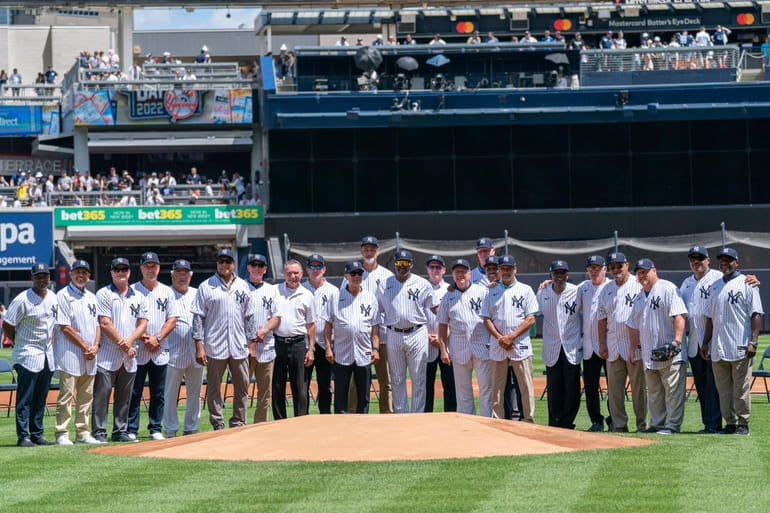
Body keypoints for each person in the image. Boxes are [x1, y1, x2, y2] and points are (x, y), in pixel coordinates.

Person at [192, 248, 256, 430]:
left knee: (242, 386)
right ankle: (217, 422)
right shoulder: (206, 286)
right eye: (221, 261)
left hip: (238, 344)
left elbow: (249, 318)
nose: (224, 265)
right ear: (217, 263)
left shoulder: (243, 286)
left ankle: (238, 421)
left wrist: (252, 345)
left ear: (233, 264)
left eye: (228, 261)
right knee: (213, 387)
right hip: (214, 344)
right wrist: (199, 345)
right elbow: (198, 317)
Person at [702, 248, 763, 435]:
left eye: (729, 260)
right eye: (722, 260)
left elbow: (756, 314)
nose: (725, 263)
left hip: (740, 345)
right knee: (724, 390)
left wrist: (753, 341)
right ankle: (729, 423)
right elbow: (710, 318)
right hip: (718, 346)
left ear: (737, 263)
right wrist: (706, 342)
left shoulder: (747, 283)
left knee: (741, 388)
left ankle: (743, 423)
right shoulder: (714, 286)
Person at [627, 258, 687, 435]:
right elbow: (634, 325)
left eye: (645, 271)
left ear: (654, 270)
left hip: (669, 352)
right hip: (648, 353)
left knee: (673, 391)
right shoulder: (638, 296)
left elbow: (679, 316)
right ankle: (658, 424)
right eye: (639, 272)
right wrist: (632, 348)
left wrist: (676, 342)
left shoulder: (667, 288)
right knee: (654, 392)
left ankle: (672, 425)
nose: (642, 275)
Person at [92, 258, 148, 443]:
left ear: (129, 272)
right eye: (117, 269)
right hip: (108, 354)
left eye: (124, 269)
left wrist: (129, 342)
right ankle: (99, 432)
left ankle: (120, 430)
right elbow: (105, 322)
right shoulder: (104, 293)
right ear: (112, 272)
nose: (121, 272)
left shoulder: (138, 296)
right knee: (102, 396)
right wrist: (124, 344)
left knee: (125, 397)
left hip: (129, 355)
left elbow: (143, 323)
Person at [2, 263, 57, 446]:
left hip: (47, 354)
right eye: (38, 276)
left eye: (45, 276)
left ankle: (37, 434)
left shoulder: (53, 297)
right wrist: (18, 342)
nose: (42, 279)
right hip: (27, 353)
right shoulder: (22, 299)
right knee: (26, 398)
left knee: (41, 397)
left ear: (49, 277)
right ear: (32, 278)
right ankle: (23, 436)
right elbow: (8, 324)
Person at [377, 249, 437, 413]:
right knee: (396, 379)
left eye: (405, 263)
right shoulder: (384, 284)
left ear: (411, 264)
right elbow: (377, 311)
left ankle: (417, 415)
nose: (401, 266)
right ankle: (401, 414)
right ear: (395, 264)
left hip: (417, 333)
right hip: (393, 333)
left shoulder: (422, 283)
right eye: (399, 263)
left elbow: (435, 309)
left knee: (418, 378)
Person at [127, 252, 179, 441]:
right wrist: (144, 338)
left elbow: (172, 319)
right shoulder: (131, 290)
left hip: (160, 349)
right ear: (140, 268)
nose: (150, 269)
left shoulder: (167, 291)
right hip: (138, 349)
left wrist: (156, 338)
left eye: (153, 266)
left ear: (158, 268)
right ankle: (131, 428)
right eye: (147, 266)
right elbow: (129, 320)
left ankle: (155, 427)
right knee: (135, 391)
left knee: (158, 392)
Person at [482, 254, 538, 422]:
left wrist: (511, 337)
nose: (506, 272)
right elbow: (486, 318)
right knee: (497, 387)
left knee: (526, 386)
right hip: (498, 345)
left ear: (515, 269)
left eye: (509, 268)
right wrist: (500, 338)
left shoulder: (525, 289)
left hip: (519, 344)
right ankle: (498, 419)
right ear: (498, 271)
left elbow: (531, 318)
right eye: (503, 269)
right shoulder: (491, 291)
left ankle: (528, 419)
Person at [53, 260, 102, 445]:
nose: (81, 275)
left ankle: (82, 432)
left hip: (91, 354)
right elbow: (65, 327)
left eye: (85, 272)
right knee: (66, 395)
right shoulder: (63, 295)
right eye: (78, 272)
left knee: (86, 396)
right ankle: (61, 433)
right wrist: (85, 347)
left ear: (89, 275)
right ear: (71, 274)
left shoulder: (92, 297)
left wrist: (95, 346)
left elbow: (97, 324)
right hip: (70, 353)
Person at [597, 252, 647, 432]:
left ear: (627, 265)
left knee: (638, 390)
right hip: (613, 345)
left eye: (620, 265)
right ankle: (619, 425)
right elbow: (601, 319)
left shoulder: (638, 284)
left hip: (635, 347)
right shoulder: (606, 289)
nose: (616, 269)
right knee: (615, 391)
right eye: (613, 267)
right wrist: (602, 344)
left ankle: (642, 424)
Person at [324, 261, 380, 413]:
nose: (356, 277)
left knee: (364, 396)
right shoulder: (335, 297)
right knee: (341, 394)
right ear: (346, 276)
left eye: (359, 273)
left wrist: (375, 349)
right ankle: (341, 425)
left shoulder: (370, 298)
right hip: (342, 353)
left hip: (364, 352)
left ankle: (362, 424)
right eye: (353, 273)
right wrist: (328, 348)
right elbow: (328, 325)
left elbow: (375, 327)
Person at [437, 259, 492, 416]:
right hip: (459, 347)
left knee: (486, 389)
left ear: (469, 273)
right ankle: (467, 424)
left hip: (482, 346)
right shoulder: (448, 297)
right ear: (453, 275)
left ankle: (487, 422)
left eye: (463, 271)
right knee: (462, 391)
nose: (460, 275)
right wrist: (443, 350)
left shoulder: (482, 292)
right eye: (457, 272)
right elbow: (442, 324)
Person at [348, 235, 393, 413]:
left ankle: (387, 413)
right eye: (366, 249)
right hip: (360, 337)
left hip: (382, 334)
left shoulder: (387, 276)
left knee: (386, 380)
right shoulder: (353, 273)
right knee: (355, 380)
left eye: (372, 249)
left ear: (378, 251)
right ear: (361, 251)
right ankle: (352, 413)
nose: (369, 252)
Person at [538, 260, 582, 429]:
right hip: (552, 345)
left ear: (567, 275)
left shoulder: (577, 291)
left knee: (572, 387)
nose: (559, 276)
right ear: (551, 274)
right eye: (556, 273)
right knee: (554, 386)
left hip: (571, 345)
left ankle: (568, 421)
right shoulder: (542, 292)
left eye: (562, 273)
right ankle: (554, 421)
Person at [162, 259, 204, 437]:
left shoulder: (197, 294)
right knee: (170, 394)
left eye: (185, 272)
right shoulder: (165, 294)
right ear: (172, 274)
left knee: (195, 393)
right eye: (178, 272)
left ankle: (191, 427)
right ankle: (170, 428)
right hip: (173, 351)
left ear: (191, 275)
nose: (182, 276)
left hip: (196, 352)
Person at [272, 259, 316, 419]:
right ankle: (279, 421)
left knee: (300, 386)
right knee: (277, 385)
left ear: (301, 274)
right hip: (278, 343)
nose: (293, 276)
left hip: (298, 344)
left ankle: (301, 421)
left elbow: (311, 324)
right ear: (284, 274)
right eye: (289, 273)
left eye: (296, 273)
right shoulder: (275, 291)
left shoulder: (307, 295)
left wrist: (311, 349)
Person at [245, 254, 281, 423]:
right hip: (244, 348)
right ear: (248, 267)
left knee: (265, 392)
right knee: (242, 390)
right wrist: (251, 336)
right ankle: (240, 424)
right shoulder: (241, 287)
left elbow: (276, 316)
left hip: (266, 346)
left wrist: (264, 330)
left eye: (261, 266)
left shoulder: (272, 289)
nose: (257, 269)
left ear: (265, 269)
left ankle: (260, 425)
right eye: (254, 265)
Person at [578, 255, 612, 432]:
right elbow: (563, 291)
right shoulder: (582, 288)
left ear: (604, 269)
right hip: (590, 346)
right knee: (591, 386)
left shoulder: (611, 286)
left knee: (614, 385)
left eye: (597, 268)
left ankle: (613, 418)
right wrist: (546, 283)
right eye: (591, 268)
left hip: (609, 345)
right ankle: (596, 421)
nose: (594, 271)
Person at [301, 253, 336, 414]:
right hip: (304, 344)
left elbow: (337, 317)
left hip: (325, 342)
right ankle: (302, 417)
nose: (316, 270)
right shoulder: (301, 289)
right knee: (302, 383)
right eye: (312, 266)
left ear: (324, 269)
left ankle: (325, 417)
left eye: (319, 266)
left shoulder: (333, 291)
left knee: (325, 384)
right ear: (307, 269)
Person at [424, 255, 456, 412]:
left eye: (438, 267)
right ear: (427, 269)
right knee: (425, 385)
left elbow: (455, 316)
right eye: (432, 267)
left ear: (444, 270)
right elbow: (414, 314)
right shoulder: (421, 287)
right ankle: (426, 416)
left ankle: (451, 416)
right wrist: (426, 336)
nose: (435, 270)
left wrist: (442, 337)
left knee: (450, 384)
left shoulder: (451, 289)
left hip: (447, 344)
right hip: (425, 343)